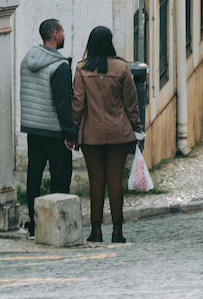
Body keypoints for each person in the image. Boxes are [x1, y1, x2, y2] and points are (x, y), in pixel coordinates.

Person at [71, 26, 143, 244]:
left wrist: (74, 131)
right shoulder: (122, 68)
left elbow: (78, 104)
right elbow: (131, 104)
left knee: (96, 182)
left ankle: (95, 231)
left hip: (91, 135)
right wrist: (137, 129)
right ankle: (117, 231)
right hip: (119, 133)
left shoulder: (82, 69)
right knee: (115, 182)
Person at [19, 17, 77, 239]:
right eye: (62, 31)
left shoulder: (27, 59)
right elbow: (63, 103)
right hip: (54, 131)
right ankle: (56, 225)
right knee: (60, 178)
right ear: (54, 34)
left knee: (33, 177)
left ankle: (35, 226)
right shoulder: (59, 66)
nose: (64, 35)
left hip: (33, 128)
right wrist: (71, 133)